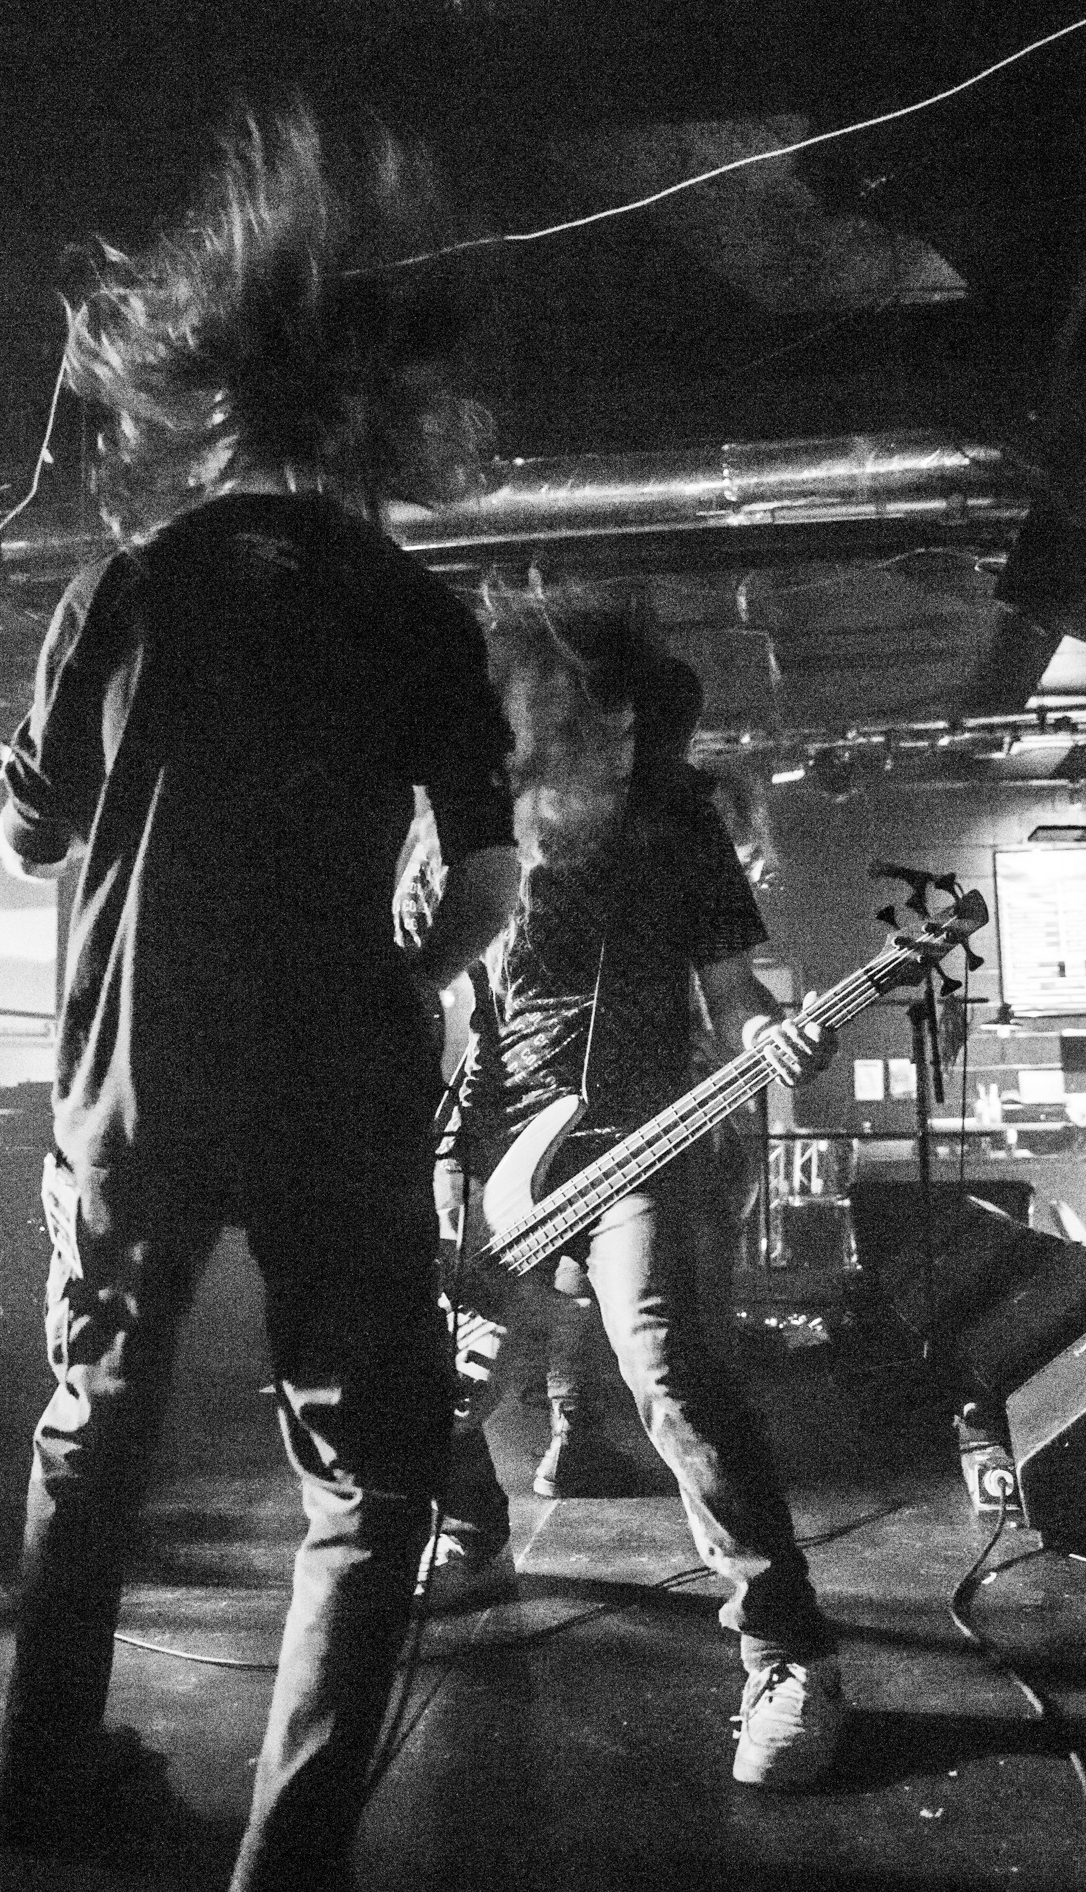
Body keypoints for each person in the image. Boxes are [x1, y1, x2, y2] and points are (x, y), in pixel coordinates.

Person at [0, 98, 519, 1892]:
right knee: (367, 1485)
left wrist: (61, 792)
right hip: (333, 1091)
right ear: (369, 416)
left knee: (91, 1427)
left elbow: (29, 838)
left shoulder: (120, 587)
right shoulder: (415, 608)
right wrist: (410, 973)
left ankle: (45, 1780)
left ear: (203, 399)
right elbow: (482, 890)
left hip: (132, 1083)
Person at [419, 582, 846, 1792]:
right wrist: (442, 1147)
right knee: (423, 1353)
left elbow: (732, 993)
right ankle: (469, 1529)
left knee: (666, 1363)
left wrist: (770, 1035)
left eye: (622, 712)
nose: (607, 731)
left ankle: (787, 1650)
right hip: (493, 1137)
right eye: (582, 709)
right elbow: (449, 995)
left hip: (641, 1137)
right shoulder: (473, 816)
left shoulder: (676, 820)